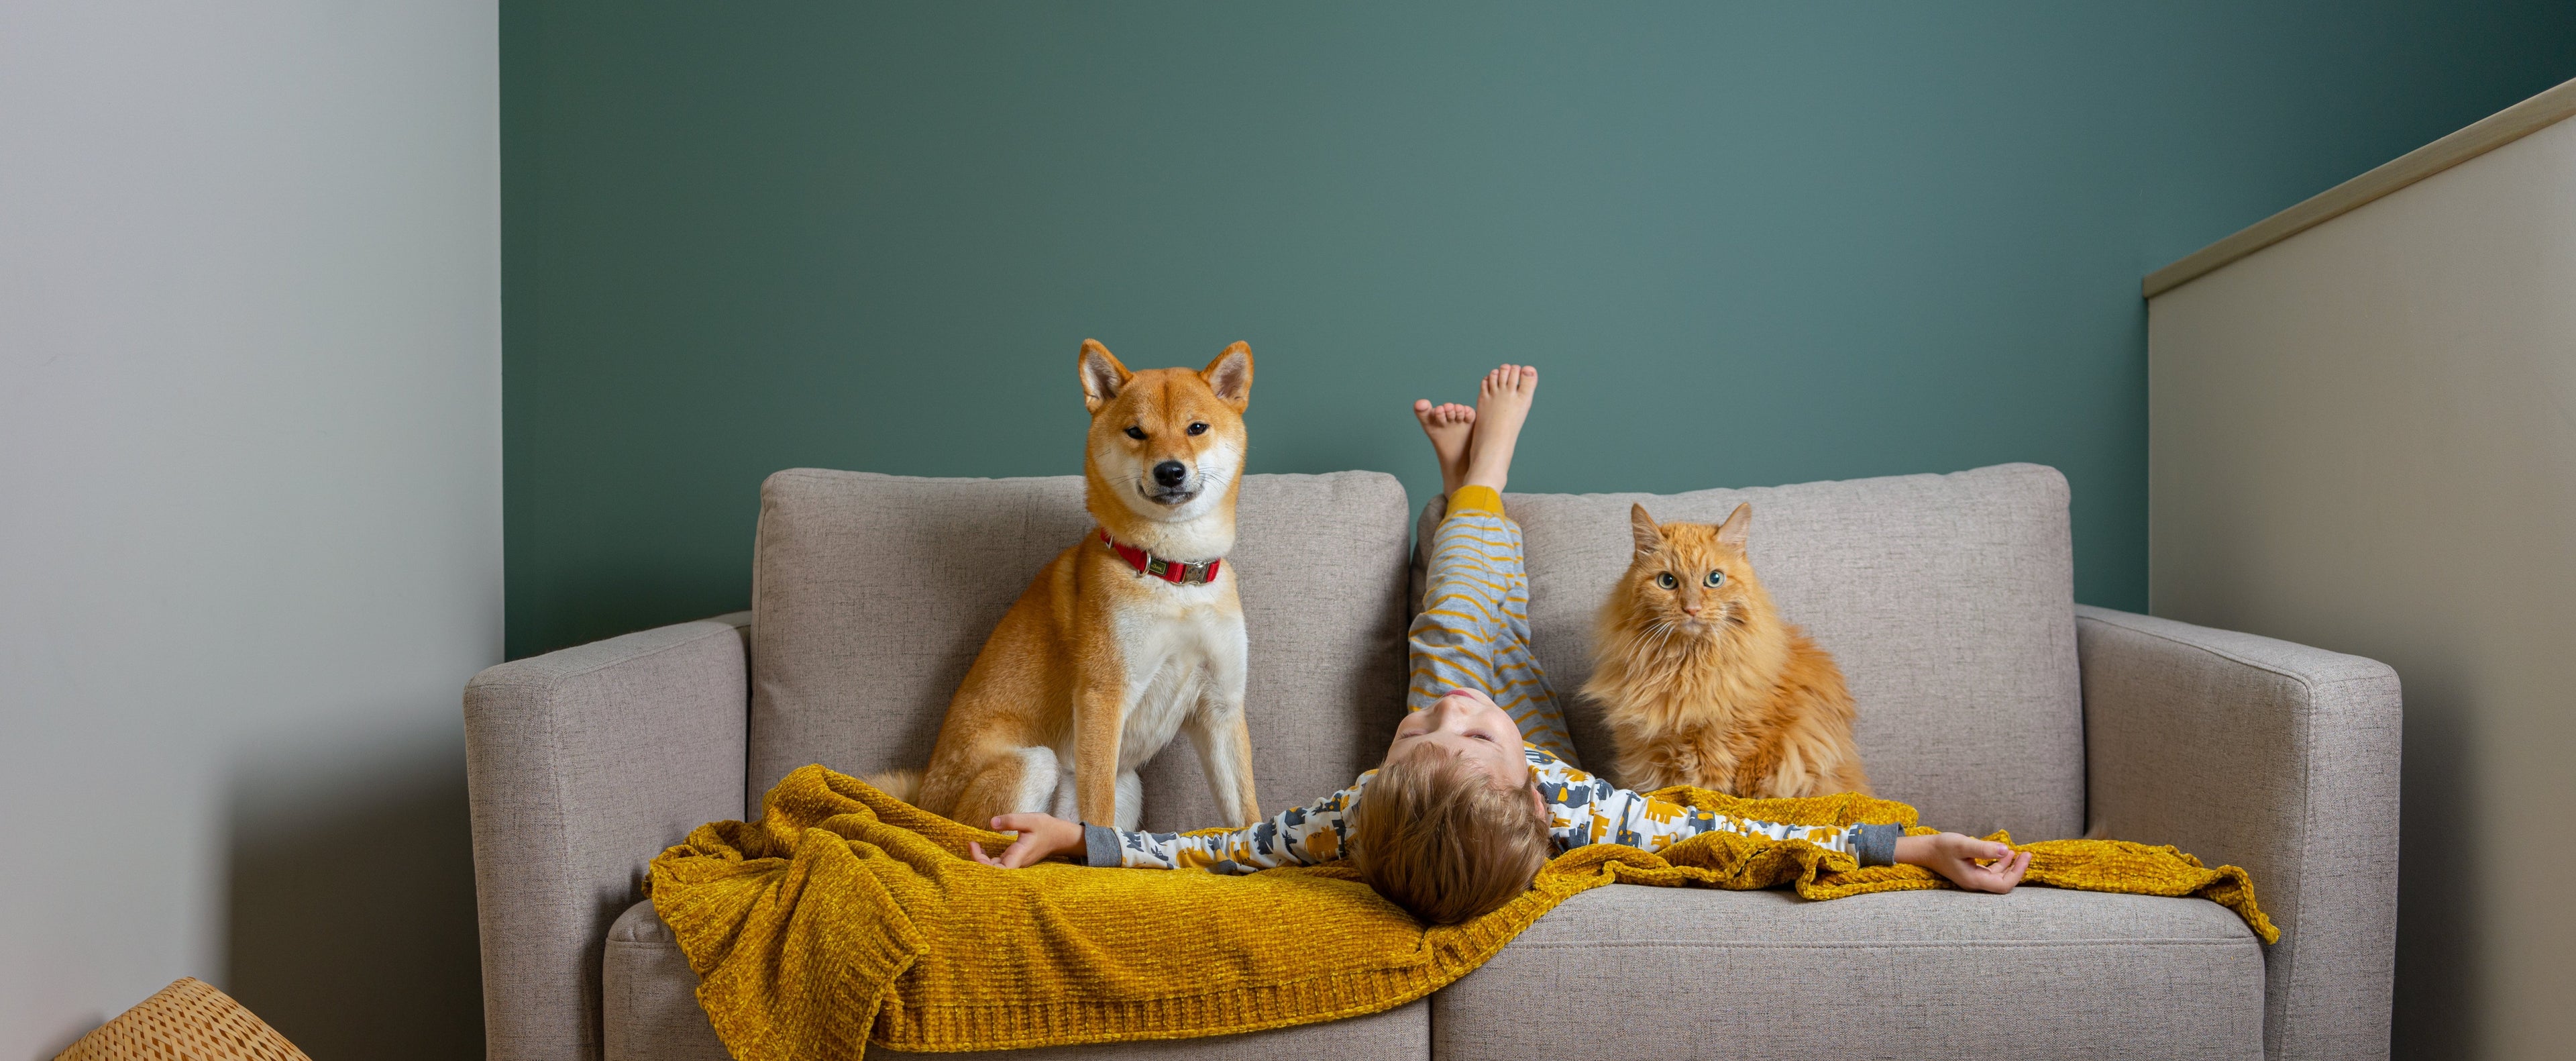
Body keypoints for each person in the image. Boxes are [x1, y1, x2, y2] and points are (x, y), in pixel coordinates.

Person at [970, 364, 2031, 923]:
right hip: (1569, 764)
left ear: (1375, 784)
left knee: (1454, 650)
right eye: (1463, 737)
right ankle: (1480, 483)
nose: (1439, 718)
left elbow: (1220, 852)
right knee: (1478, 655)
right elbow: (1735, 841)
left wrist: (1085, 839)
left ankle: (1467, 494)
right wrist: (1917, 847)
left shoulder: (1356, 818)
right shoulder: (1579, 805)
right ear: (1533, 791)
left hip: (1461, 778)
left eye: (1411, 735)